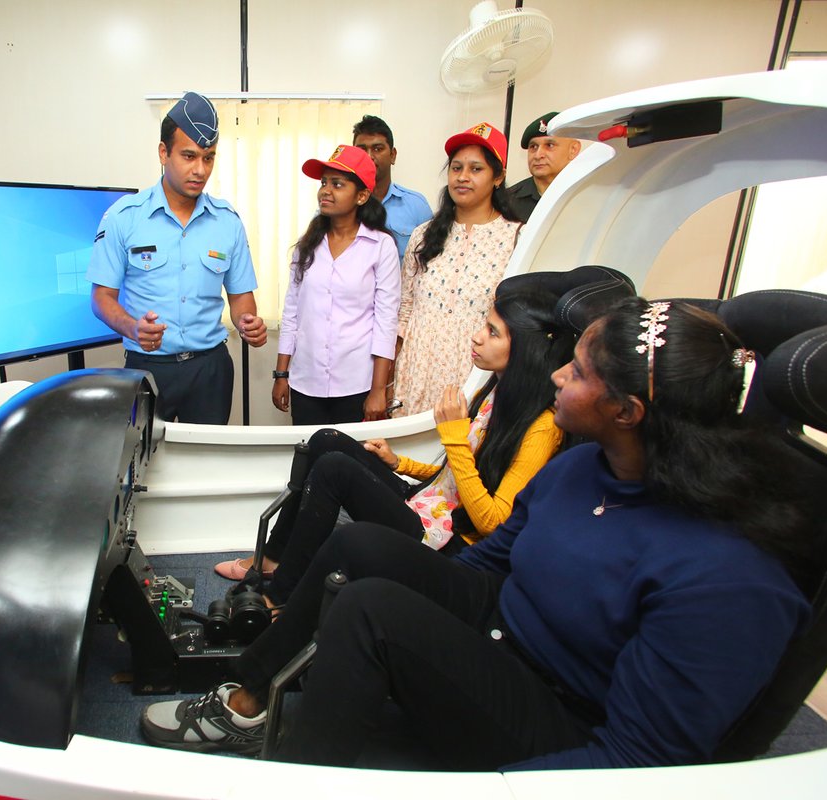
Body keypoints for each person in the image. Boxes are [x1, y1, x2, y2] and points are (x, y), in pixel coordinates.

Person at [144, 297, 813, 771]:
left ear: (626, 410)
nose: (555, 374)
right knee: (360, 549)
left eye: (577, 371)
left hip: (559, 716)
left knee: (372, 608)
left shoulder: (726, 579)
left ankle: (298, 780)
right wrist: (420, 601)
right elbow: (490, 563)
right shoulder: (585, 464)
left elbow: (637, 764)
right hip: (504, 626)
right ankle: (247, 695)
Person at [217, 285, 572, 607]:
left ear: (527, 348)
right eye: (484, 325)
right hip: (431, 505)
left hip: (447, 540)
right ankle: (274, 557)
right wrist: (399, 462)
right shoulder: (498, 391)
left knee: (334, 470)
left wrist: (453, 437)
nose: (477, 337)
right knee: (326, 440)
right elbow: (455, 477)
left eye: (493, 333)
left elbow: (494, 522)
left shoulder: (541, 426)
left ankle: (279, 598)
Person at [86, 91, 267, 424]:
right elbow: (101, 299)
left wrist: (248, 324)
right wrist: (132, 326)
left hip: (210, 369)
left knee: (208, 465)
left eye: (209, 158)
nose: (200, 170)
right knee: (144, 467)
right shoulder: (124, 218)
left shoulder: (227, 222)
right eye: (189, 156)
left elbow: (242, 299)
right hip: (149, 367)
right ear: (163, 153)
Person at [392, 122, 522, 416]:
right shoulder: (423, 235)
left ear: (498, 177)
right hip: (418, 372)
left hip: (474, 373)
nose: (463, 177)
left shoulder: (516, 238)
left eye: (476, 169)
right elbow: (406, 307)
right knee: (407, 459)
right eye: (456, 167)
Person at [271, 144, 400, 426]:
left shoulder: (381, 246)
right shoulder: (306, 246)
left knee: (350, 466)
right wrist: (282, 375)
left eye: (338, 184)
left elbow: (386, 322)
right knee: (309, 463)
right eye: (324, 183)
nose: (326, 190)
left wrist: (379, 390)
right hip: (306, 383)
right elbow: (292, 314)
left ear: (362, 195)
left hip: (356, 384)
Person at [351, 115, 433, 264]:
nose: (369, 156)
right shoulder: (341, 205)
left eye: (377, 149)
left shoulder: (416, 206)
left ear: (392, 155)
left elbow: (432, 262)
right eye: (362, 150)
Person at [505, 112, 583, 223]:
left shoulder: (588, 195)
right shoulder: (508, 202)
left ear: (573, 149)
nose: (538, 155)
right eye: (533, 147)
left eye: (550, 145)